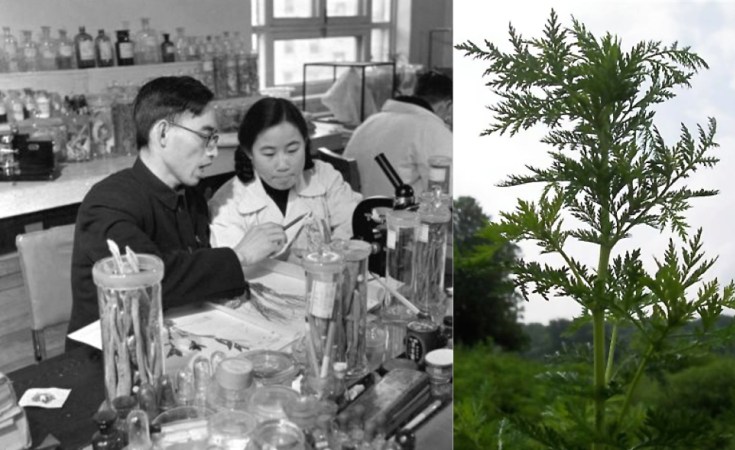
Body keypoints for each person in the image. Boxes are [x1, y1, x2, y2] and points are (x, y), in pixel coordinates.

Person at [67, 76, 285, 349]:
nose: (214, 151)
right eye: (206, 136)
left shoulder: (190, 193)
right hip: (112, 357)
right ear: (162, 134)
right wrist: (240, 256)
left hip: (178, 337)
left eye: (215, 138)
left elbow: (193, 277)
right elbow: (150, 281)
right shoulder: (107, 204)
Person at [209, 97, 361, 259]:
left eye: (292, 150)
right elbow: (234, 266)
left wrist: (331, 253)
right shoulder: (227, 203)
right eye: (269, 154)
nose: (283, 165)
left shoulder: (324, 176)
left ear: (305, 143)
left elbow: (351, 225)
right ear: (248, 152)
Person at [343, 70, 453, 198]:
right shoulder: (432, 129)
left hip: (357, 212)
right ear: (449, 105)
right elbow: (447, 194)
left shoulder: (372, 120)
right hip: (396, 214)